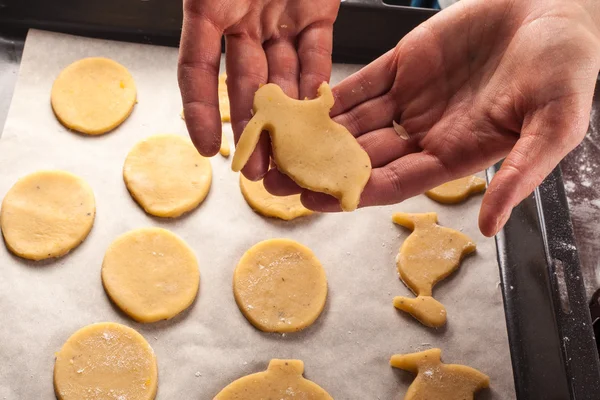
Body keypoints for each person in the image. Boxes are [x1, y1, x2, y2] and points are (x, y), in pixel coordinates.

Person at [178, 0, 600, 237]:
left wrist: (575, 11)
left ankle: (347, 187)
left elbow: (308, 110)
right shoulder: (277, 116)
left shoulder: (280, 114)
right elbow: (268, 134)